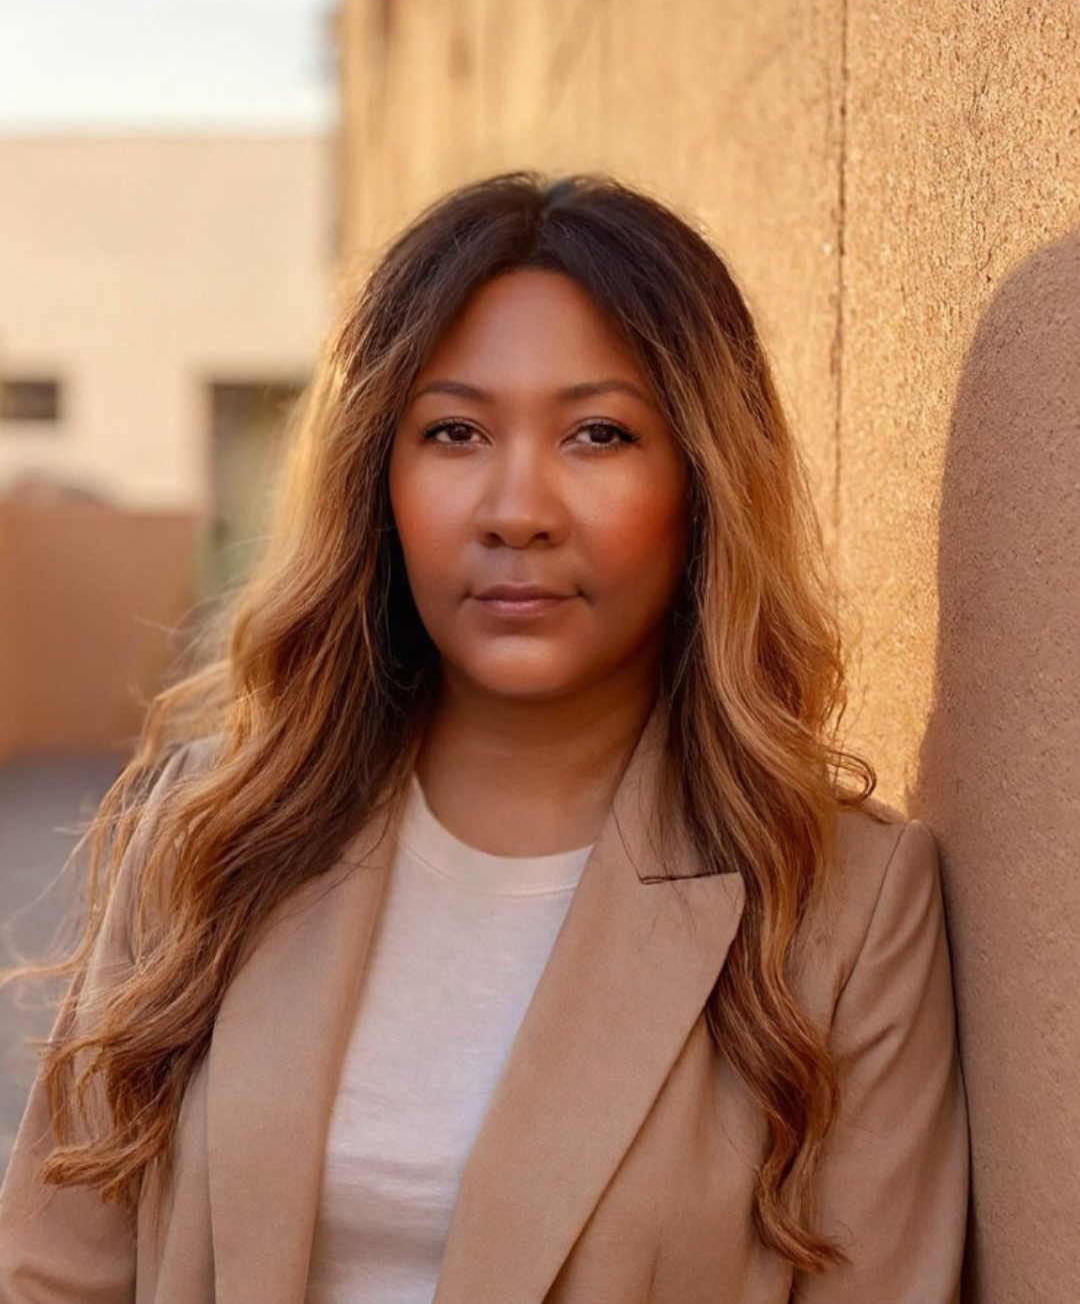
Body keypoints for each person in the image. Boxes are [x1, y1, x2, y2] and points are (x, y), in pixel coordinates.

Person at [0, 172, 969, 1303]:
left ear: (701, 481)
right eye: (454, 431)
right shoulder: (213, 837)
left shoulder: (844, 906)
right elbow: (55, 1271)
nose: (518, 508)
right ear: (382, 481)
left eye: (598, 434)